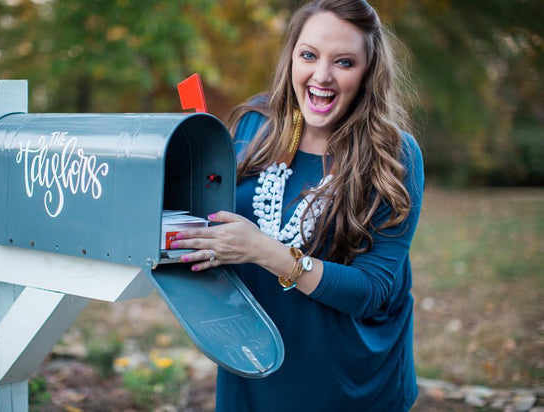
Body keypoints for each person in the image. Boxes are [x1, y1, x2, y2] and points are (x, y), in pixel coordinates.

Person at [170, 0, 424, 410]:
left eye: (344, 62)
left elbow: (372, 291)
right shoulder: (255, 124)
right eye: (309, 55)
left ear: (368, 73)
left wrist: (263, 251)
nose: (321, 76)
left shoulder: (393, 155)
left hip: (348, 382)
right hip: (254, 365)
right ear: (291, 57)